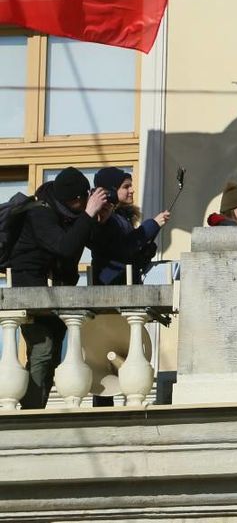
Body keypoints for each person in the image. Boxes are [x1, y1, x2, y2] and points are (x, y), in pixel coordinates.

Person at [7, 168, 110, 409]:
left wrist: (100, 221)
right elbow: (64, 246)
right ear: (74, 200)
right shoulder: (39, 213)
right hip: (29, 290)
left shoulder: (70, 214)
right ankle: (30, 412)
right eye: (83, 199)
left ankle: (35, 405)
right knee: (43, 349)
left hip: (56, 291)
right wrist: (88, 214)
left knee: (52, 354)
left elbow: (90, 241)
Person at [90, 167, 169, 285]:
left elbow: (130, 258)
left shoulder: (123, 217)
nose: (132, 190)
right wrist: (153, 224)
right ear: (112, 190)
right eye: (126, 187)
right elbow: (122, 248)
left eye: (131, 186)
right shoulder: (104, 218)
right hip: (111, 289)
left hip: (127, 285)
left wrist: (146, 251)